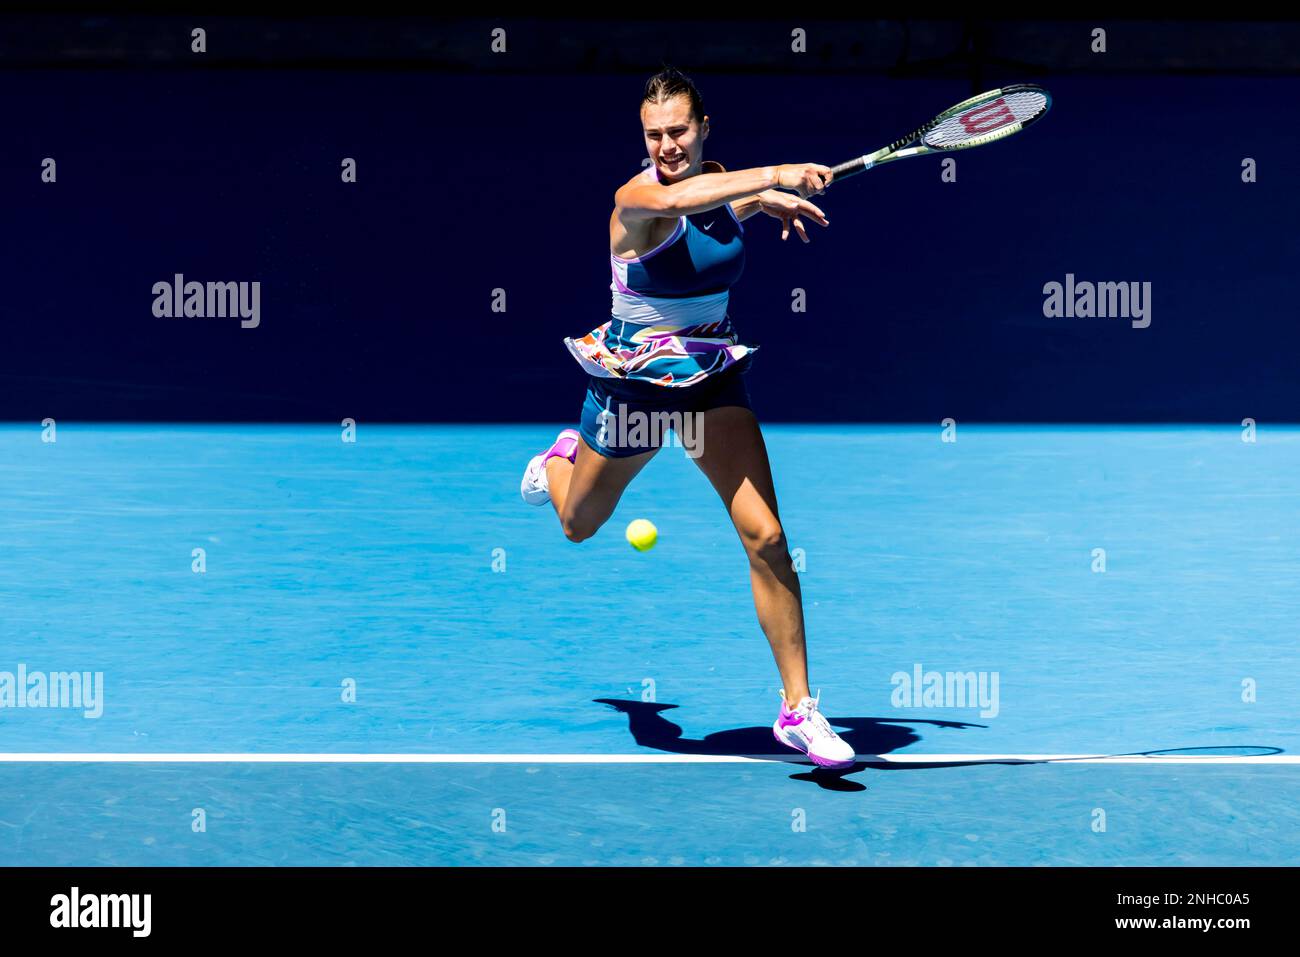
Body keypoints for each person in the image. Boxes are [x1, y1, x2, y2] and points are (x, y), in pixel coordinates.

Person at [520, 67, 854, 769]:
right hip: (635, 384)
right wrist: (778, 176)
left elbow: (723, 201)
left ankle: (798, 709)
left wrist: (770, 201)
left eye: (678, 130)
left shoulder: (725, 188)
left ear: (704, 127)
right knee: (579, 524)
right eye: (654, 134)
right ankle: (558, 458)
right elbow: (696, 195)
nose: (666, 145)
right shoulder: (636, 197)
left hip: (709, 379)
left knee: (766, 536)